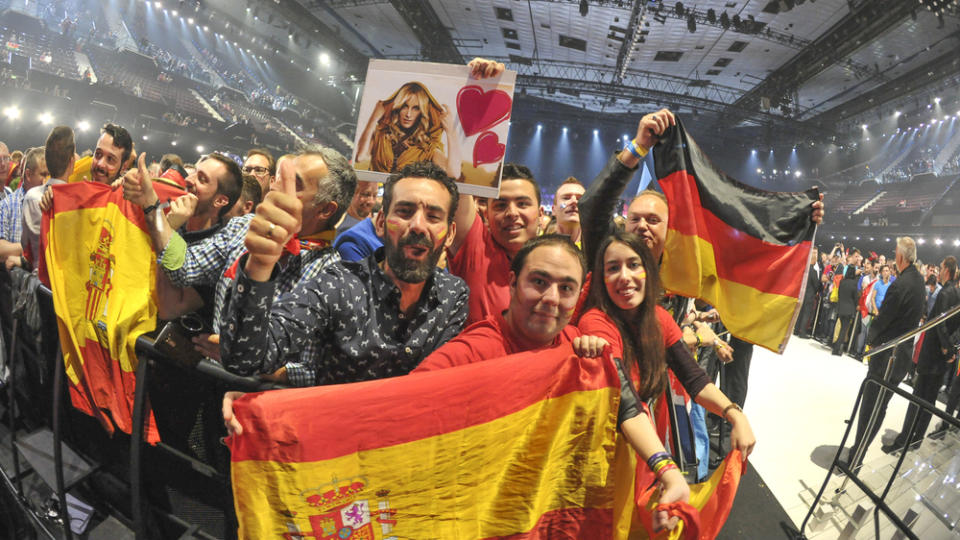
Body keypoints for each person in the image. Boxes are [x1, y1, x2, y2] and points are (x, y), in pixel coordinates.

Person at [415, 234, 690, 532]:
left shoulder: (580, 347)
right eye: (539, 282)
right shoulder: (474, 351)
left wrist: (669, 471)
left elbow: (627, 407)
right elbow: (399, 408)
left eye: (566, 288)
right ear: (512, 281)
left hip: (554, 522)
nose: (551, 299)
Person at [219, 160, 469, 385]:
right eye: (404, 212)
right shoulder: (338, 286)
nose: (417, 225)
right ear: (381, 222)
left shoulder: (453, 295)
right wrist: (259, 267)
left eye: (433, 216)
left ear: (450, 234)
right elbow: (245, 360)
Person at [128, 146, 354, 385]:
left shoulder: (331, 277)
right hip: (210, 384)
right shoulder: (245, 227)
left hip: (262, 405)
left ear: (325, 209)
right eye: (279, 177)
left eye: (294, 184)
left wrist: (261, 366)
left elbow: (319, 372)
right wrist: (152, 205)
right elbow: (184, 267)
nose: (276, 188)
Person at [578, 232, 756, 458]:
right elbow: (625, 401)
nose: (624, 276)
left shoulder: (659, 318)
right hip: (599, 447)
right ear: (601, 279)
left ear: (648, 272)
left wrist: (734, 414)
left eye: (634, 265)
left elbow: (694, 377)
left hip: (638, 448)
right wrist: (664, 467)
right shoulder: (595, 322)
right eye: (613, 268)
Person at [846, 237, 925, 469]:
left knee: (871, 406)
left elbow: (883, 320)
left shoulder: (900, 285)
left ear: (900, 257)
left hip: (887, 357)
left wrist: (870, 341)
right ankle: (858, 451)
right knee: (880, 406)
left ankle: (856, 457)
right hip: (901, 358)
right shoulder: (919, 282)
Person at [884, 256, 960, 452]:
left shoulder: (944, 293)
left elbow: (939, 324)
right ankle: (916, 440)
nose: (938, 272)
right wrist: (951, 348)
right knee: (929, 401)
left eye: (941, 268)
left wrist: (945, 347)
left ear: (947, 271)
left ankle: (904, 440)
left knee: (917, 398)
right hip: (942, 359)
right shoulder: (957, 294)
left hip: (932, 355)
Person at [355, 82, 460, 180]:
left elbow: (454, 174)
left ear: (422, 112)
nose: (408, 114)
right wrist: (373, 119)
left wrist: (451, 132)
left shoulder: (427, 148)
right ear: (398, 108)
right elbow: (360, 157)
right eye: (405, 106)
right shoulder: (382, 136)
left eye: (416, 108)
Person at [21, 126, 75, 267]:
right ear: (72, 162)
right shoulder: (79, 200)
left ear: (47, 160)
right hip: (67, 284)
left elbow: (24, 243)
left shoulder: (31, 196)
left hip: (38, 281)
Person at [0, 147, 47, 261]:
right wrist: (35, 246)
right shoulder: (7, 205)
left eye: (5, 158)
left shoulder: (53, 202)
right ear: (29, 175)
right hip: (16, 277)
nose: (47, 180)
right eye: (44, 174)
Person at [831, 265, 860, 356]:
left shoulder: (842, 281)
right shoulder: (854, 283)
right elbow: (855, 297)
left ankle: (835, 347)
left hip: (840, 308)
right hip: (849, 310)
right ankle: (837, 350)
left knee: (840, 329)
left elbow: (839, 294)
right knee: (843, 330)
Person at [552, 177, 585, 245]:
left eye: (579, 199)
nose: (574, 201)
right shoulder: (540, 248)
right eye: (566, 198)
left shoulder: (597, 251)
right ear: (554, 210)